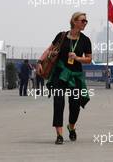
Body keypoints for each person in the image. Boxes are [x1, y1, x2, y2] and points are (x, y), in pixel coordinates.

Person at [36, 12, 92, 144]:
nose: (85, 23)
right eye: (83, 20)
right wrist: (39, 62)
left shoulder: (85, 40)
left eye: (86, 21)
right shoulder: (61, 36)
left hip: (75, 76)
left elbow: (89, 59)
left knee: (75, 105)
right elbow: (49, 49)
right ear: (74, 21)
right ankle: (59, 135)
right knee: (59, 102)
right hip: (59, 74)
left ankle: (71, 127)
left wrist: (77, 58)